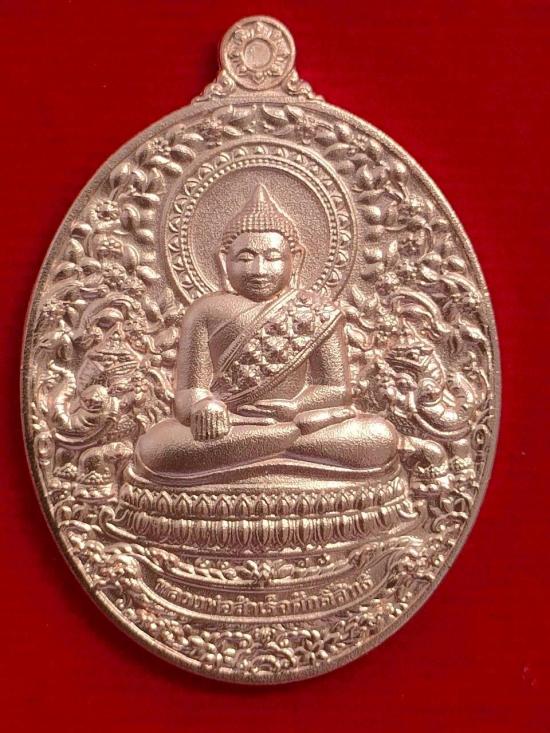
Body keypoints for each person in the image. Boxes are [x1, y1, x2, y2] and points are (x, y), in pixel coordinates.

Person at [135, 185, 399, 479]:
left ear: (296, 259)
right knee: (156, 447)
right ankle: (282, 444)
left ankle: (272, 444)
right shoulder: (204, 311)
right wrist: (203, 405)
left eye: (273, 257)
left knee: (377, 436)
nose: (259, 270)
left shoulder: (317, 311)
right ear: (223, 260)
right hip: (231, 427)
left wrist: (296, 407)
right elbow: (188, 390)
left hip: (296, 423)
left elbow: (336, 389)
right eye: (245, 258)